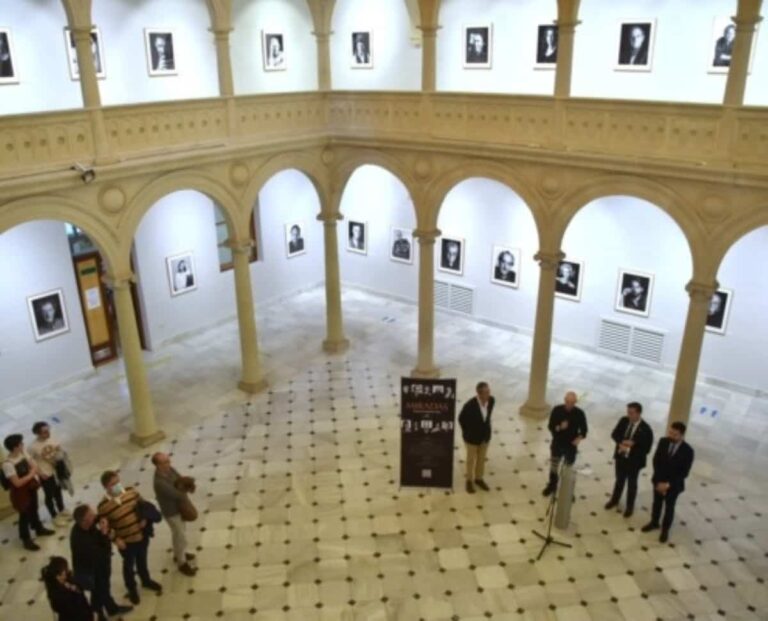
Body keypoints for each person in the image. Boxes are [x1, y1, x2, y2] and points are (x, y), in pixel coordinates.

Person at [98, 470, 162, 605]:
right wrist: (116, 540)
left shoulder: (131, 491)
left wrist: (145, 518)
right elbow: (105, 528)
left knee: (142, 560)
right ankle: (132, 589)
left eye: (118, 482)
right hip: (126, 542)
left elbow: (144, 506)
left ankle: (146, 580)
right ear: (106, 487)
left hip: (141, 535)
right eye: (113, 484)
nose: (117, 485)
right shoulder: (103, 507)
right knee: (128, 566)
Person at [70, 504, 133, 621]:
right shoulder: (81, 540)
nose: (94, 515)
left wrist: (102, 520)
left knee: (103, 589)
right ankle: (99, 615)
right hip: (92, 570)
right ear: (85, 520)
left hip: (100, 566)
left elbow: (99, 517)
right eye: (91, 514)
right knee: (98, 592)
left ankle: (111, 608)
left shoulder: (86, 524)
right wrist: (104, 534)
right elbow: (101, 553)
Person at [642, 422, 694, 543]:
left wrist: (667, 484)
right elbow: (656, 461)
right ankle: (654, 522)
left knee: (669, 507)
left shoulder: (688, 451)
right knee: (657, 503)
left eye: (675, 435)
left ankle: (665, 530)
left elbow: (684, 472)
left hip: (673, 485)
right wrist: (659, 481)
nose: (671, 436)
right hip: (658, 481)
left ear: (681, 435)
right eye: (670, 432)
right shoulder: (663, 441)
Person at [2, 434, 55, 550]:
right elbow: (16, 483)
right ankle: (26, 539)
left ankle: (38, 528)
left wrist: (39, 473)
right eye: (21, 444)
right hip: (20, 493)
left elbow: (33, 464)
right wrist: (31, 474)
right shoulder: (8, 464)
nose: (23, 445)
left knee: (34, 508)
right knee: (24, 515)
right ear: (15, 447)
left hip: (30, 487)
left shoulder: (22, 453)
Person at [605, 402, 654, 517]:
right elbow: (614, 434)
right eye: (628, 412)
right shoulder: (624, 420)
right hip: (621, 457)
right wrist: (622, 442)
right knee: (619, 480)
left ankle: (629, 507)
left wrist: (632, 446)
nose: (629, 415)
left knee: (632, 484)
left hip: (634, 462)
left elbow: (646, 449)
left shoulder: (646, 430)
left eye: (631, 413)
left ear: (638, 413)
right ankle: (614, 500)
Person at [152, 452, 197, 576]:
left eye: (168, 461)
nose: (169, 464)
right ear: (158, 465)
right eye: (165, 462)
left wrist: (184, 484)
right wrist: (185, 487)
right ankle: (181, 562)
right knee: (180, 535)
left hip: (179, 508)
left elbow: (179, 479)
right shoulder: (159, 482)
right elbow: (176, 494)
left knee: (180, 533)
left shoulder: (169, 469)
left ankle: (179, 553)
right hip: (172, 512)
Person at [543, 392, 588, 497]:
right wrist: (559, 427)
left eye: (572, 403)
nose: (569, 405)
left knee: (568, 469)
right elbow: (550, 426)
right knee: (554, 466)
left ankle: (568, 490)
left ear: (575, 402)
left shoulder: (580, 413)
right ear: (564, 400)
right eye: (567, 402)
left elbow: (584, 430)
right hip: (557, 443)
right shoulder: (557, 410)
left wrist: (579, 438)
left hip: (571, 446)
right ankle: (552, 485)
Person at [28, 422, 70, 527]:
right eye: (45, 432)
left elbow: (58, 449)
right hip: (45, 474)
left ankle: (62, 509)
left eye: (48, 430)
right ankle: (54, 516)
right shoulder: (33, 447)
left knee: (58, 491)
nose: (48, 433)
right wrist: (40, 473)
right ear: (38, 434)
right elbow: (30, 462)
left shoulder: (52, 438)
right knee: (49, 495)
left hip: (56, 470)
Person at [458, 382, 495, 494]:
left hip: (485, 438)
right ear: (479, 394)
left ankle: (479, 478)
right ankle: (469, 481)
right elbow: (461, 419)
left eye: (489, 391)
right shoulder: (470, 406)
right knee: (470, 460)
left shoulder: (492, 401)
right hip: (472, 439)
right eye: (486, 392)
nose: (489, 394)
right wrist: (467, 432)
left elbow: (487, 417)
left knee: (481, 459)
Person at [41, 556, 94, 621]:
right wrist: (73, 591)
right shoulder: (56, 592)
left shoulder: (68, 578)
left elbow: (80, 591)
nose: (66, 572)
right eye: (63, 572)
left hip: (83, 613)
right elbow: (64, 608)